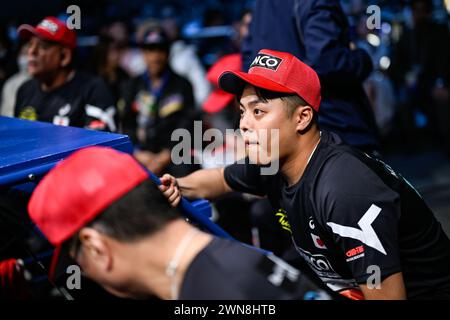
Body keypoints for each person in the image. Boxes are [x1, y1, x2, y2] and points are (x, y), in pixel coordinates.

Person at [160, 49, 450, 300]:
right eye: (242, 112)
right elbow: (220, 178)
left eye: (258, 111)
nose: (244, 125)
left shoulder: (343, 189)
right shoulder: (272, 161)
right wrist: (177, 186)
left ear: (302, 118)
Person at [27, 146, 330, 300]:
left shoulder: (214, 290)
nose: (85, 274)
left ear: (96, 248)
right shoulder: (229, 264)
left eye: (77, 260)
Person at [242, 0, 379, 153]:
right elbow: (327, 62)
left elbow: (250, 60)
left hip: (280, 126)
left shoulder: (261, 4)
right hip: (330, 124)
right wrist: (363, 58)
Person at [14, 16, 116, 131]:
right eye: (30, 44)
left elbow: (101, 144)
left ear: (64, 56)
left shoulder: (92, 90)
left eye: (42, 46)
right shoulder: (25, 90)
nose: (31, 51)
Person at [122, 25, 196, 177]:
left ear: (168, 53)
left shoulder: (182, 84)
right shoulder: (132, 85)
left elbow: (189, 125)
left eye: (160, 50)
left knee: (187, 169)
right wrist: (137, 153)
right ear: (143, 53)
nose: (155, 56)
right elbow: (126, 123)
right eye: (150, 50)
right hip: (140, 154)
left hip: (173, 155)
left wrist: (166, 156)